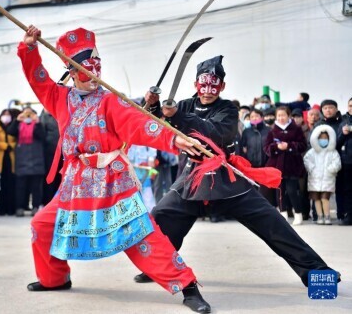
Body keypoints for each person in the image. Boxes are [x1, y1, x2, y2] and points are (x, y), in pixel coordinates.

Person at [18, 26, 211, 313]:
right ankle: (54, 278)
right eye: (87, 66)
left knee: (140, 236)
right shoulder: (59, 98)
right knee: (42, 226)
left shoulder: (111, 100)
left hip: (111, 179)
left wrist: (174, 137)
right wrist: (29, 48)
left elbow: (139, 124)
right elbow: (39, 78)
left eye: (98, 64)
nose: (95, 70)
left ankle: (187, 286)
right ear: (72, 70)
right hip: (75, 182)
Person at [137, 55, 338, 289]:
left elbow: (213, 132)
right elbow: (155, 125)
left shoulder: (228, 109)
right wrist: (151, 104)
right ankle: (157, 268)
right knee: (160, 217)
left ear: (222, 86)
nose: (208, 90)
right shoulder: (182, 105)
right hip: (191, 179)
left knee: (273, 224)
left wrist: (177, 116)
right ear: (195, 85)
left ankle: (317, 273)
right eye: (204, 85)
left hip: (226, 179)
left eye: (214, 85)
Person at [264, 106, 307, 225]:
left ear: (288, 116)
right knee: (280, 191)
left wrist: (289, 146)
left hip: (292, 165)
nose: (281, 118)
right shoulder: (273, 130)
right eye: (279, 116)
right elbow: (266, 148)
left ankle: (298, 213)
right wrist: (276, 147)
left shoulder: (296, 129)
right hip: (277, 165)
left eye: (283, 115)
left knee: (293, 190)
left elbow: (303, 145)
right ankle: (283, 215)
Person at [7, 107, 45, 217]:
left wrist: (37, 122)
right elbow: (10, 132)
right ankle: (20, 207)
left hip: (36, 159)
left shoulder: (38, 125)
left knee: (36, 187)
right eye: (26, 113)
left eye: (30, 114)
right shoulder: (19, 125)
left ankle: (35, 206)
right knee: (20, 186)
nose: (28, 116)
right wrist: (17, 120)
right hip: (21, 160)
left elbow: (42, 136)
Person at [303, 125, 341, 225]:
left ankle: (327, 216)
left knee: (325, 198)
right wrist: (312, 169)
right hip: (314, 180)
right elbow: (306, 160)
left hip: (327, 180)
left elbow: (337, 163)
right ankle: (320, 216)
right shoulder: (312, 152)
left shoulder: (333, 152)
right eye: (320, 138)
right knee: (316, 199)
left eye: (325, 138)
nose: (323, 140)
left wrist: (330, 170)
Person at [0, 108, 18, 216]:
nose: (6, 116)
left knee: (11, 184)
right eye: (4, 114)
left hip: (11, 157)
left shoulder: (13, 126)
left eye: (8, 114)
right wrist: (5, 146)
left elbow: (17, 139)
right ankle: (1, 209)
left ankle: (11, 208)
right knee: (0, 184)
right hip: (0, 157)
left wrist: (11, 146)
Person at [40, 108, 62, 206]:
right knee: (49, 178)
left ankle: (58, 200)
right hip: (49, 152)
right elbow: (41, 132)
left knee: (60, 177)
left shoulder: (61, 114)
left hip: (63, 152)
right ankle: (47, 201)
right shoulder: (44, 116)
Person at [337, 97, 352, 225]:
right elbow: (336, 143)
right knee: (347, 190)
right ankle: (349, 215)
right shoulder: (343, 121)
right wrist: (343, 134)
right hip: (347, 161)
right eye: (350, 106)